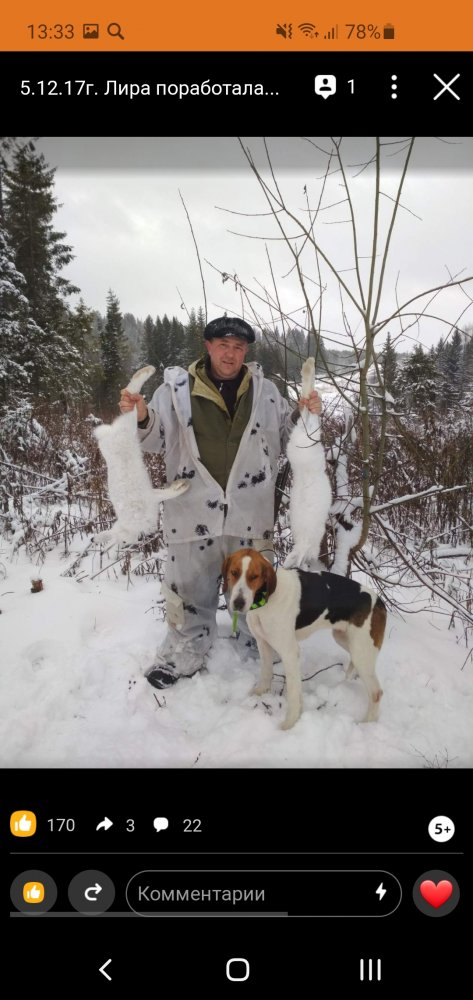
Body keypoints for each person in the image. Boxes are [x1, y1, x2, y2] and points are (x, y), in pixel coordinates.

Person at [119, 315, 322, 688]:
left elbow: (286, 438)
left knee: (256, 587)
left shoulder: (266, 392)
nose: (230, 354)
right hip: (191, 508)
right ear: (208, 347)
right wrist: (142, 415)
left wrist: (304, 414)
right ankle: (184, 649)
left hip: (250, 511)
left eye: (238, 347)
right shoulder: (174, 391)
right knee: (188, 589)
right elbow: (155, 440)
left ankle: (260, 643)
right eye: (223, 345)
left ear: (246, 352)